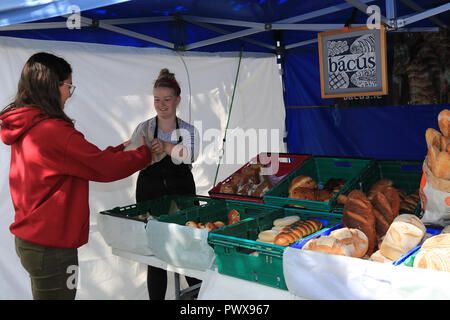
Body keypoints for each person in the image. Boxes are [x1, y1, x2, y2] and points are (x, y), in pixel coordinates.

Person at [0, 52, 152, 300]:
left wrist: (120, 151)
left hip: (33, 240)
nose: (69, 93)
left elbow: (82, 161)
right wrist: (144, 155)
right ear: (52, 85)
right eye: (68, 86)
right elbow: (103, 168)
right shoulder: (53, 131)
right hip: (51, 247)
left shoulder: (28, 123)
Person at [130, 68, 201, 300]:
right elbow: (130, 158)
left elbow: (190, 156)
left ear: (178, 100)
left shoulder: (188, 130)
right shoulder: (144, 128)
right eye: (157, 99)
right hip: (150, 198)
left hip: (183, 199)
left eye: (167, 100)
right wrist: (145, 153)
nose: (161, 104)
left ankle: (198, 300)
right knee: (156, 257)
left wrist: (167, 147)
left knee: (190, 253)